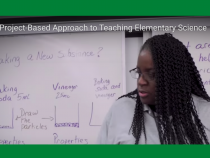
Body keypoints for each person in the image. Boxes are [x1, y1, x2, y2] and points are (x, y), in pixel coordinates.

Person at [96, 33, 210, 144]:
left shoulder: (205, 113)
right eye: (139, 73)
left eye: (152, 75)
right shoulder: (120, 110)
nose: (140, 81)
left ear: (175, 77)